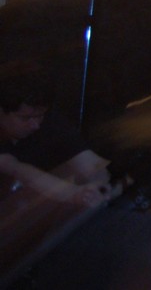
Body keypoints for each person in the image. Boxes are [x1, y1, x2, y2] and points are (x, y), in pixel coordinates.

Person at [1, 67, 113, 208]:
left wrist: (99, 185)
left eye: (40, 115)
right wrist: (75, 194)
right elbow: (17, 169)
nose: (35, 125)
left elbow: (91, 163)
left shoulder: (49, 120)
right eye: (25, 118)